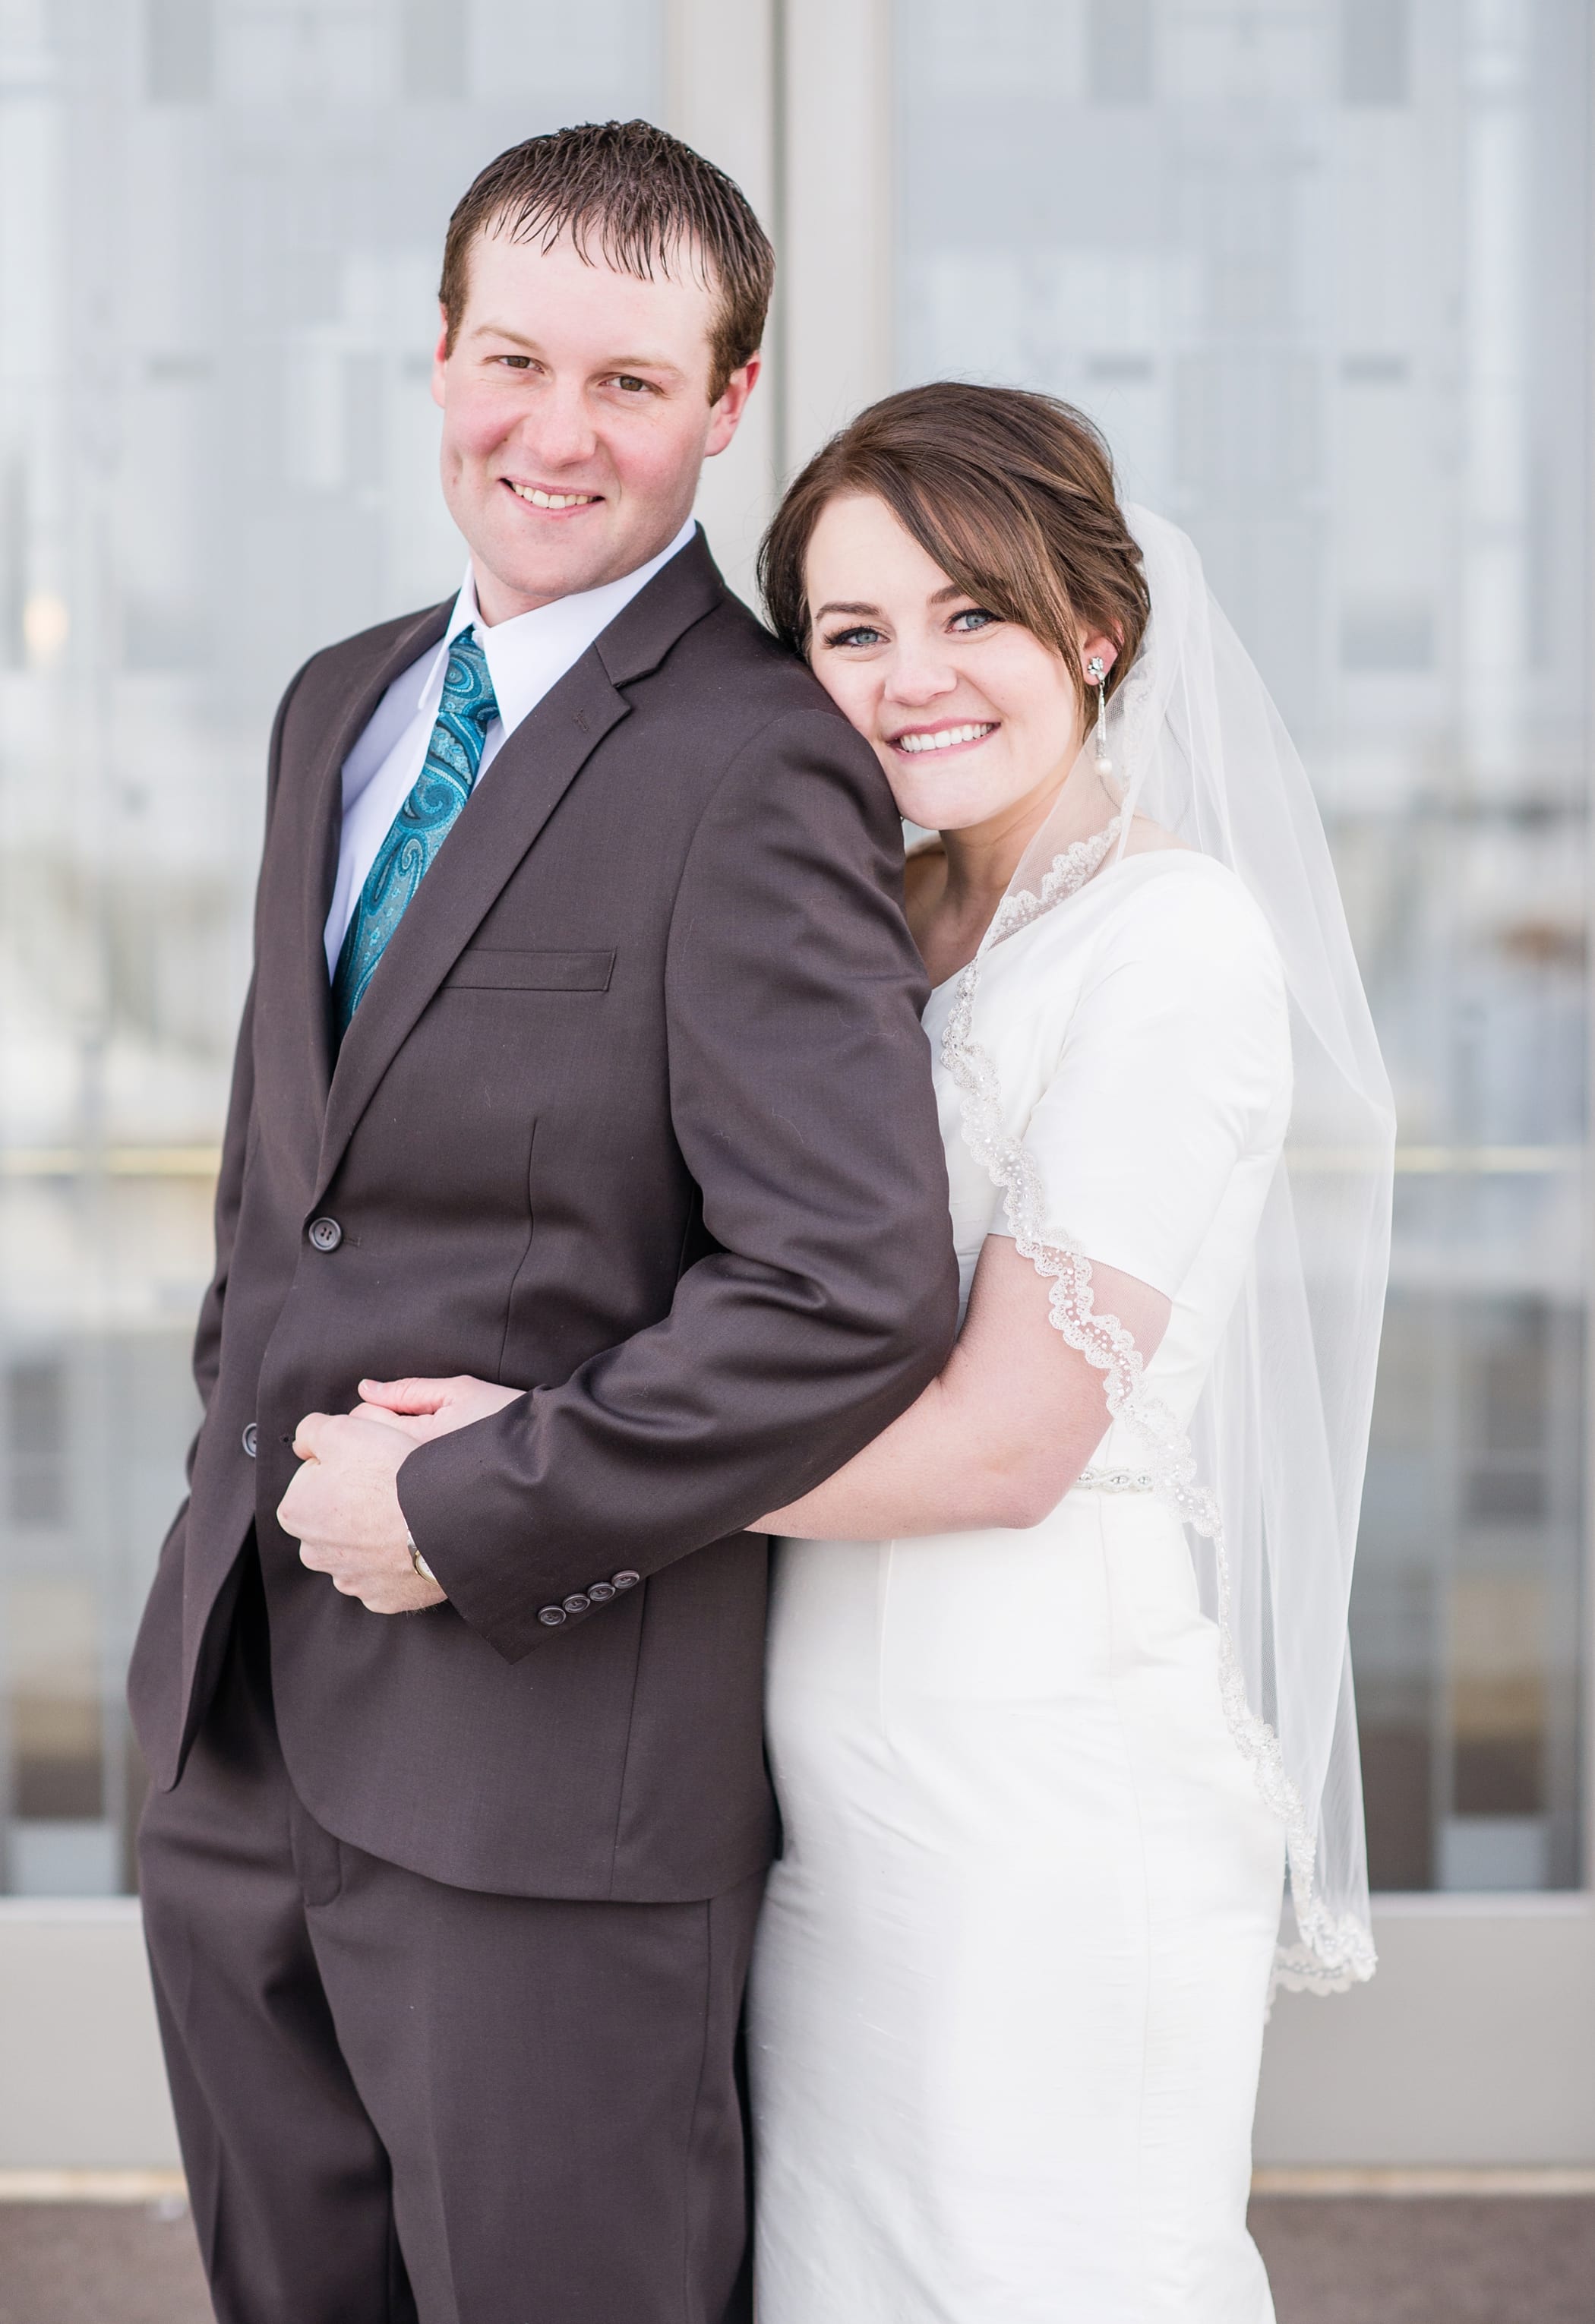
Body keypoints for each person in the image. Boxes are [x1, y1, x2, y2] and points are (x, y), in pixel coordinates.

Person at [127, 122, 957, 2324]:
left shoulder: (764, 758)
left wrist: (481, 1497)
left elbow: (845, 1285)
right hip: (238, 1729)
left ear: (726, 399)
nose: (554, 431)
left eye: (627, 380)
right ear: (437, 357)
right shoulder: (344, 699)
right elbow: (280, 1201)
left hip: (543, 1775)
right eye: (515, 359)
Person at [739, 384, 1396, 2322]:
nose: (913, 678)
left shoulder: (1173, 946)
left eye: (974, 616)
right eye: (853, 631)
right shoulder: (884, 913)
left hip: (1041, 1782)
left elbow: (1010, 1445)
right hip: (826, 1772)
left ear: (1095, 634)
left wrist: (551, 1480)